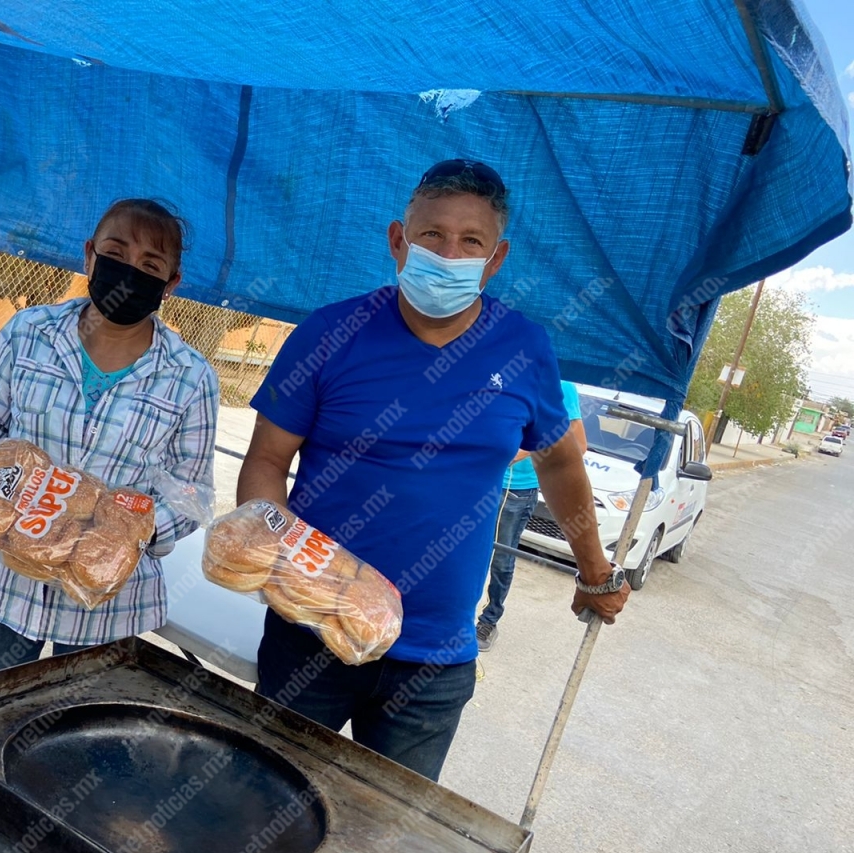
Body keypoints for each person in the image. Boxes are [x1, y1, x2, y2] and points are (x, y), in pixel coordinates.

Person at [238, 159, 628, 782]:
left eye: (470, 241)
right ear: (399, 240)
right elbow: (265, 460)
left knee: (388, 832)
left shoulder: (524, 348)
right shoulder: (330, 332)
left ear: (495, 259)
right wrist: (271, 550)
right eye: (432, 236)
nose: (449, 254)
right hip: (311, 634)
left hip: (433, 662)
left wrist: (596, 570)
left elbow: (559, 463)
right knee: (265, 803)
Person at [0, 199, 218, 678]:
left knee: (75, 732)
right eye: (115, 253)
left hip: (108, 596)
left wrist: (129, 531)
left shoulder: (191, 377)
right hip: (6, 577)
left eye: (149, 265)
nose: (129, 271)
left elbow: (192, 491)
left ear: (170, 282)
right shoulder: (26, 335)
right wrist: (14, 503)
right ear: (90, 255)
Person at [476, 379, 586, 652]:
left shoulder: (563, 386)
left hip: (518, 491)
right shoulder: (504, 372)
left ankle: (489, 620)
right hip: (481, 482)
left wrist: (523, 451)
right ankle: (456, 617)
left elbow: (578, 444)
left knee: (502, 560)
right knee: (468, 553)